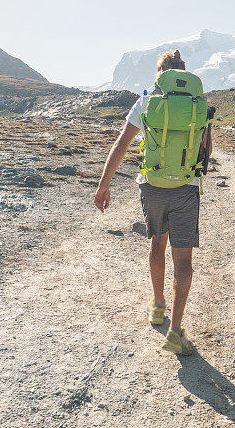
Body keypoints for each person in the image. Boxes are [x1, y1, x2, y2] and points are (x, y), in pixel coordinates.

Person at [94, 49, 209, 356]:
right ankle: (175, 331)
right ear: (183, 72)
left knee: (157, 245)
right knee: (183, 261)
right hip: (186, 188)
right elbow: (204, 151)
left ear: (160, 74)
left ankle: (157, 306)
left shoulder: (147, 100)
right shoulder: (199, 104)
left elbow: (121, 143)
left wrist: (104, 184)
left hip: (152, 187)